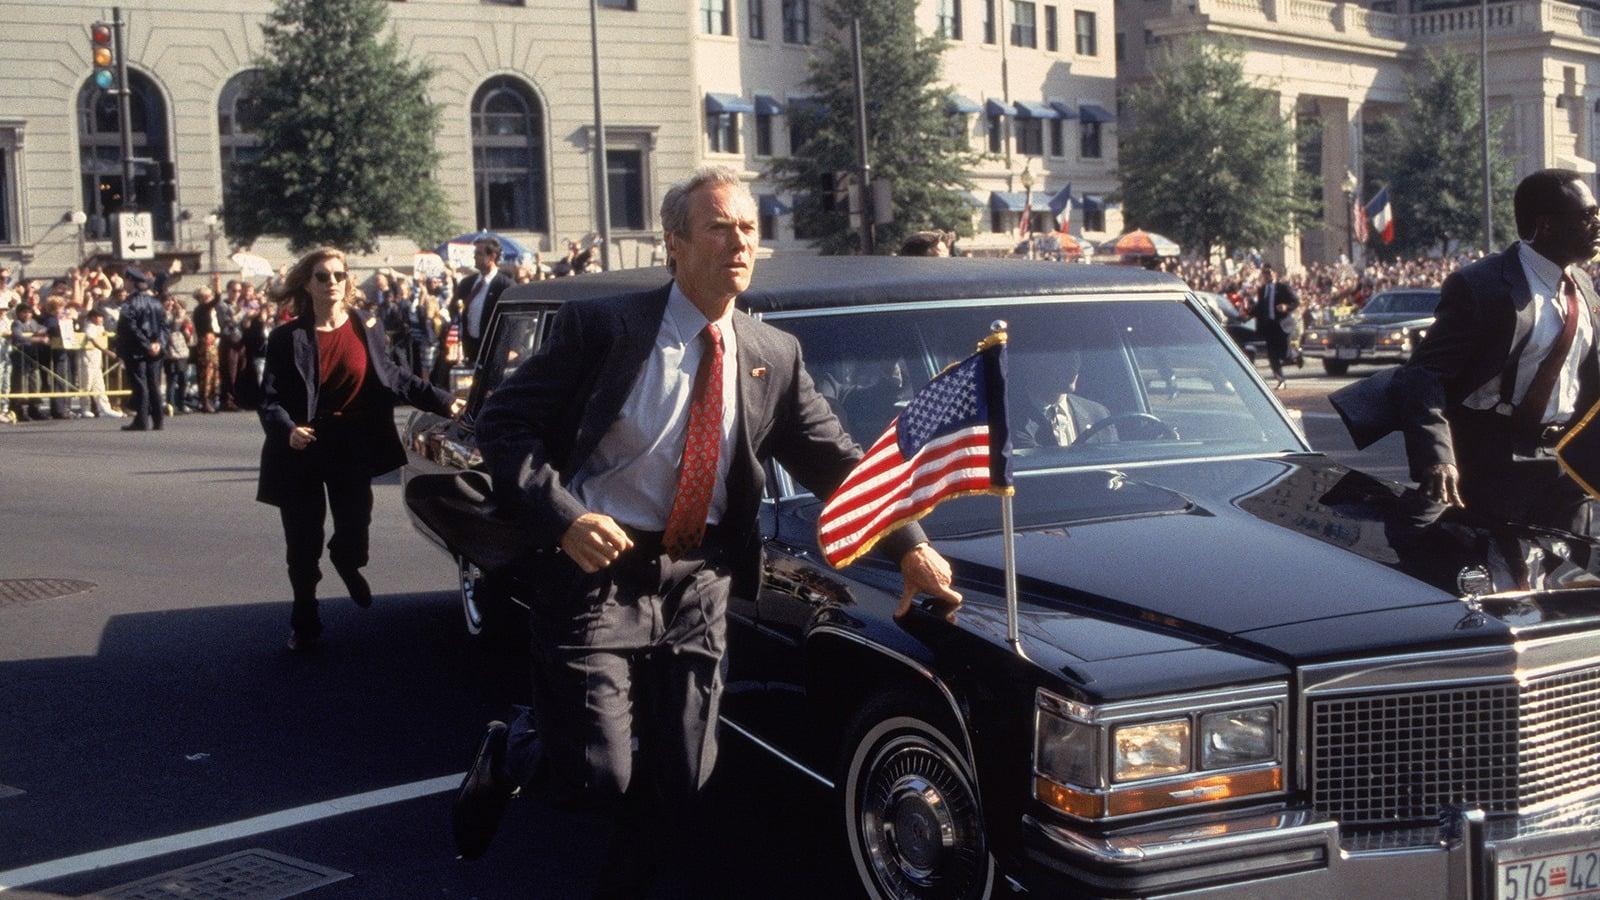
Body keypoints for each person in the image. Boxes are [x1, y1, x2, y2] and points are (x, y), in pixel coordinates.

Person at [448, 166, 962, 894]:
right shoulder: (606, 330)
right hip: (600, 571)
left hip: (700, 577)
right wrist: (565, 518)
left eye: (748, 228)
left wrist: (912, 546)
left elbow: (839, 463)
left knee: (686, 774)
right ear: (676, 243)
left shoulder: (772, 354)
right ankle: (515, 749)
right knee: (597, 773)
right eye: (719, 227)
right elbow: (504, 423)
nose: (739, 242)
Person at [256, 248, 464, 652]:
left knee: (355, 527)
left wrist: (444, 401)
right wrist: (287, 430)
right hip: (302, 447)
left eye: (339, 275)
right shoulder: (287, 337)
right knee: (302, 543)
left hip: (350, 443)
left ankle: (346, 560)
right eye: (322, 276)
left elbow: (395, 376)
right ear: (307, 284)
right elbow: (269, 398)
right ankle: (305, 622)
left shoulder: (365, 325)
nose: (332, 282)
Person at [1392, 168, 1600, 533]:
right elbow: (1425, 375)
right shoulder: (1482, 286)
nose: (1597, 224)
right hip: (1494, 466)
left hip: (1566, 468)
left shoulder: (1582, 284)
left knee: (1571, 567)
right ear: (1546, 225)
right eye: (1586, 215)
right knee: (1495, 567)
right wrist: (1438, 457)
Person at [114, 267, 168, 432]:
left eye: (126, 280)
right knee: (154, 384)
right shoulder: (156, 302)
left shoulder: (129, 304)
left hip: (136, 350)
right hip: (154, 350)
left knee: (140, 385)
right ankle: (158, 420)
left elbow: (129, 328)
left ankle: (142, 420)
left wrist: (146, 344)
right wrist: (158, 343)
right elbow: (164, 327)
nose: (124, 284)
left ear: (131, 281)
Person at [451, 237, 512, 366]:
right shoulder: (467, 284)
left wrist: (513, 348)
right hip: (470, 349)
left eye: (479, 253)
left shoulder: (505, 286)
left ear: (492, 256)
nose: (474, 257)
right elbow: (454, 309)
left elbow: (513, 320)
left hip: (493, 350)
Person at [1250, 263, 1299, 390]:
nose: (1267, 275)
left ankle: (1296, 354)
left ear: (1274, 274)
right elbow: (1260, 307)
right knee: (1272, 355)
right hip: (1269, 325)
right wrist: (1247, 314)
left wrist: (1286, 307)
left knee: (1284, 353)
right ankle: (1280, 380)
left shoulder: (1283, 287)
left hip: (1282, 325)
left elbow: (1296, 301)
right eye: (1265, 273)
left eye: (1269, 272)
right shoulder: (1262, 290)